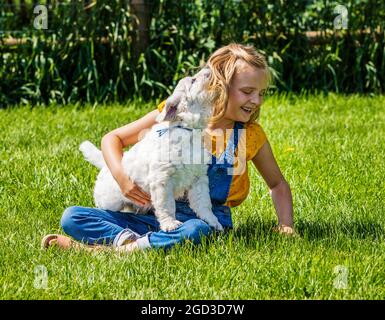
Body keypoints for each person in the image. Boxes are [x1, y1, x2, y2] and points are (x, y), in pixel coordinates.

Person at [41, 43, 295, 254]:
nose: (256, 100)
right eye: (248, 91)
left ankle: (108, 250)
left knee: (197, 231)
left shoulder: (250, 136)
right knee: (72, 217)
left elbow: (278, 184)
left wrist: (286, 225)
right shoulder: (177, 115)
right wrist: (122, 179)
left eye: (261, 93)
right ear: (219, 87)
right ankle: (140, 242)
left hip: (204, 223)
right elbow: (113, 139)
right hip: (151, 216)